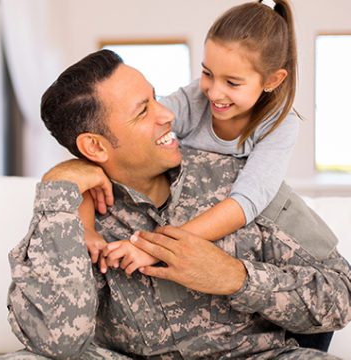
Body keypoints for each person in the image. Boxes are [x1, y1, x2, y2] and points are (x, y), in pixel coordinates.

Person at [0, 49, 351, 360]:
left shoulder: (243, 181)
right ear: (95, 147)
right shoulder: (69, 211)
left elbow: (341, 294)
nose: (167, 114)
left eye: (155, 97)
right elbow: (57, 343)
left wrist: (234, 277)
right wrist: (58, 188)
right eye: (143, 111)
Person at [81, 0, 301, 275]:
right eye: (207, 73)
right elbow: (128, 139)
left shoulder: (280, 125)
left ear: (272, 80)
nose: (213, 92)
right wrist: (86, 228)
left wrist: (153, 248)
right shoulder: (196, 96)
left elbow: (245, 203)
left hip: (216, 242)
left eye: (232, 83)